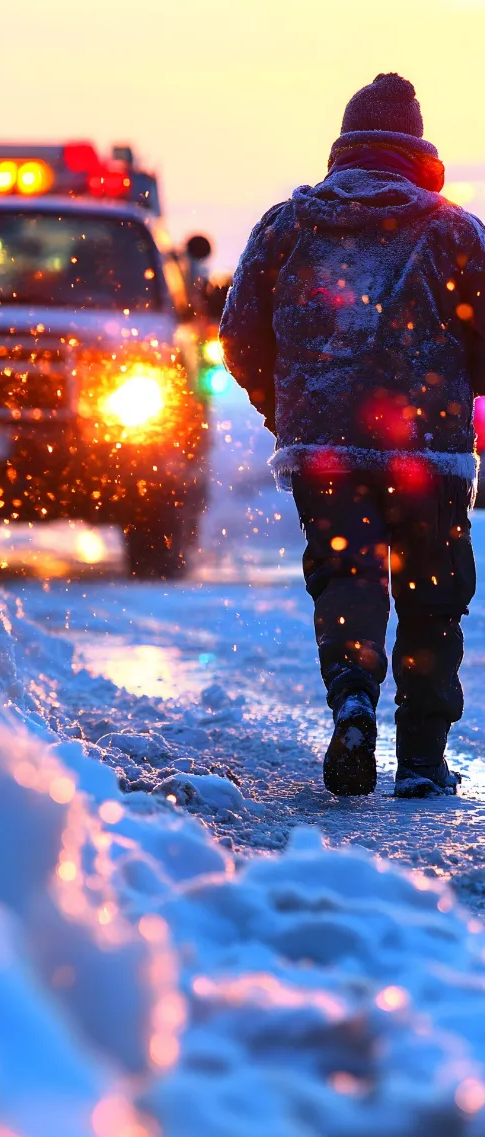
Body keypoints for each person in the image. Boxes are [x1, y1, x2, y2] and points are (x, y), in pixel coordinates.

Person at [220, 73, 485, 798]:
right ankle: (424, 762)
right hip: (428, 453)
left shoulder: (287, 225)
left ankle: (353, 700)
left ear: (346, 143)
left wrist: (289, 409)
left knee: (349, 574)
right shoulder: (453, 230)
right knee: (432, 596)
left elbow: (239, 336)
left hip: (324, 449)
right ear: (417, 148)